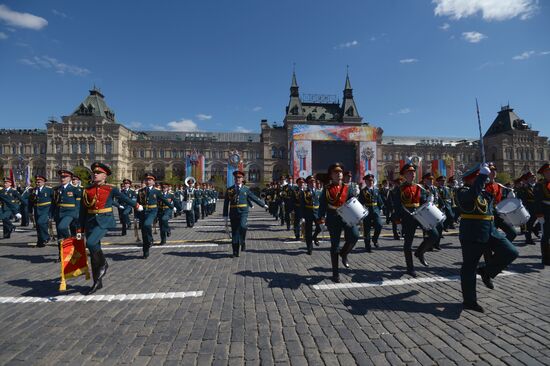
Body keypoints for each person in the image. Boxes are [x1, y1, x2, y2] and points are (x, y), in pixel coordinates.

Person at [456, 163, 518, 313]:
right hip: (473, 234)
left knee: (511, 252)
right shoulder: (461, 191)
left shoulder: (484, 193)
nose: (482, 180)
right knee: (469, 267)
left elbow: (492, 213)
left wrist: (507, 207)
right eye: (478, 177)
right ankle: (469, 301)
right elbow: (471, 196)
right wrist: (483, 175)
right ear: (470, 179)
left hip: (491, 232)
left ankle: (486, 272)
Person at [78, 162, 143, 294]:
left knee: (90, 243)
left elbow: (123, 198)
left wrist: (136, 205)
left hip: (104, 220)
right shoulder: (87, 189)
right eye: (94, 173)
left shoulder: (110, 189)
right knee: (94, 249)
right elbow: (82, 210)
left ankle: (103, 264)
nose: (95, 174)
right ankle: (97, 280)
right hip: (90, 221)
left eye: (98, 173)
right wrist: (80, 228)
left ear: (104, 176)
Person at [318, 163, 359, 283]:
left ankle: (344, 253)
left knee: (354, 236)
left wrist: (358, 214)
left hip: (346, 216)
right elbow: (323, 205)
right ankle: (335, 274)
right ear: (331, 175)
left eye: (340, 172)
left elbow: (353, 201)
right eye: (336, 172)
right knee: (334, 246)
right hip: (333, 217)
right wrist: (321, 219)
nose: (339, 174)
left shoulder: (348, 187)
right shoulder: (326, 189)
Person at [394, 164, 437, 277]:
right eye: (409, 172)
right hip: (407, 218)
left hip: (420, 215)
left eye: (413, 172)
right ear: (404, 175)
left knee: (434, 235)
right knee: (408, 244)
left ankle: (420, 252)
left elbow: (423, 201)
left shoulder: (419, 187)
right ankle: (410, 268)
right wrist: (398, 223)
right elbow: (397, 207)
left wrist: (429, 200)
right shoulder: (399, 189)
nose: (413, 174)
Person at [223, 170, 267, 257]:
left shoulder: (246, 189)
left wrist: (263, 205)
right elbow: (226, 203)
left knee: (243, 226)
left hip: (243, 212)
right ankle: (235, 251)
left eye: (239, 178)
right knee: (235, 232)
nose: (237, 179)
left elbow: (254, 198)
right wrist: (225, 215)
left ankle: (242, 241)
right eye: (236, 178)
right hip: (233, 212)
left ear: (242, 179)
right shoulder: (229, 189)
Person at [136, 173, 172, 258]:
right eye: (146, 180)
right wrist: (136, 215)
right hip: (142, 212)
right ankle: (146, 250)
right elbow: (137, 203)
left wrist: (172, 207)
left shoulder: (157, 191)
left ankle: (150, 239)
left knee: (147, 224)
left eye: (150, 180)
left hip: (152, 211)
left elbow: (164, 200)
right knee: (144, 232)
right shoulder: (141, 191)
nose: (148, 182)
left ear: (153, 182)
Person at [52, 170, 81, 261]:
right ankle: (61, 255)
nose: (62, 179)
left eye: (65, 177)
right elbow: (53, 203)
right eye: (61, 177)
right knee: (60, 236)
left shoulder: (75, 189)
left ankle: (70, 241)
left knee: (62, 227)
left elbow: (78, 204)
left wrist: (77, 215)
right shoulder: (56, 189)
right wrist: (51, 215)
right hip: (58, 213)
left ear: (70, 178)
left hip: (70, 213)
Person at [484, 164, 517, 242]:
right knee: (488, 238)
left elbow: (503, 200)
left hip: (499, 214)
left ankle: (502, 247)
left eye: (494, 170)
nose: (494, 172)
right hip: (489, 215)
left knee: (512, 233)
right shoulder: (483, 186)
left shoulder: (499, 186)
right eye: (491, 171)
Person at [358, 173, 384, 252]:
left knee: (379, 225)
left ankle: (375, 239)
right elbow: (360, 203)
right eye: (369, 181)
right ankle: (367, 246)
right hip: (367, 211)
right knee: (367, 229)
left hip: (375, 210)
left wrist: (381, 208)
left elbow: (379, 200)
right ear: (366, 181)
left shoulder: (376, 190)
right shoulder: (363, 191)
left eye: (372, 180)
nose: (371, 182)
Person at [29, 175, 53, 247]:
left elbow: (54, 200)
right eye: (36, 182)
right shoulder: (33, 190)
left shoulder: (49, 190)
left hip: (45, 209)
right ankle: (40, 242)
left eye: (39, 182)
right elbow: (30, 202)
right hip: (37, 209)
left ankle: (46, 237)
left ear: (43, 182)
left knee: (41, 223)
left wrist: (52, 212)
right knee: (38, 226)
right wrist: (30, 211)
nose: (37, 183)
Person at [534, 162, 550, 266]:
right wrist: (539, 214)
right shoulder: (539, 185)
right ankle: (546, 258)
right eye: (547, 172)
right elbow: (537, 200)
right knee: (546, 235)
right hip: (545, 211)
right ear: (544, 173)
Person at [300, 175, 321, 254]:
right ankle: (309, 248)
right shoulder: (304, 192)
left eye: (314, 182)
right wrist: (302, 217)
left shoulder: (319, 191)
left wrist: (323, 214)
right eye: (311, 182)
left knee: (319, 228)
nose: (313, 183)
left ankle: (314, 237)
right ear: (308, 183)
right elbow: (302, 205)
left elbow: (321, 204)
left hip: (317, 213)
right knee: (308, 231)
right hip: (308, 213)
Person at [517, 171, 539, 244]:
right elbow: (523, 198)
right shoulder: (524, 187)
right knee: (529, 224)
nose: (533, 178)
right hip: (529, 207)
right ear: (528, 179)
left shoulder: (536, 186)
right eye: (531, 177)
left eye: (533, 176)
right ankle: (528, 239)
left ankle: (535, 229)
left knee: (543, 220)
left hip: (537, 207)